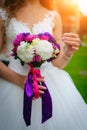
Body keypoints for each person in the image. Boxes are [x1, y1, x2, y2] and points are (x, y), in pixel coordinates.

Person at [0, 0, 87, 130]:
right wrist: (19, 80)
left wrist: (68, 52)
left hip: (52, 84)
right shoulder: (4, 13)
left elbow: (58, 63)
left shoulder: (53, 16)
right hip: (13, 82)